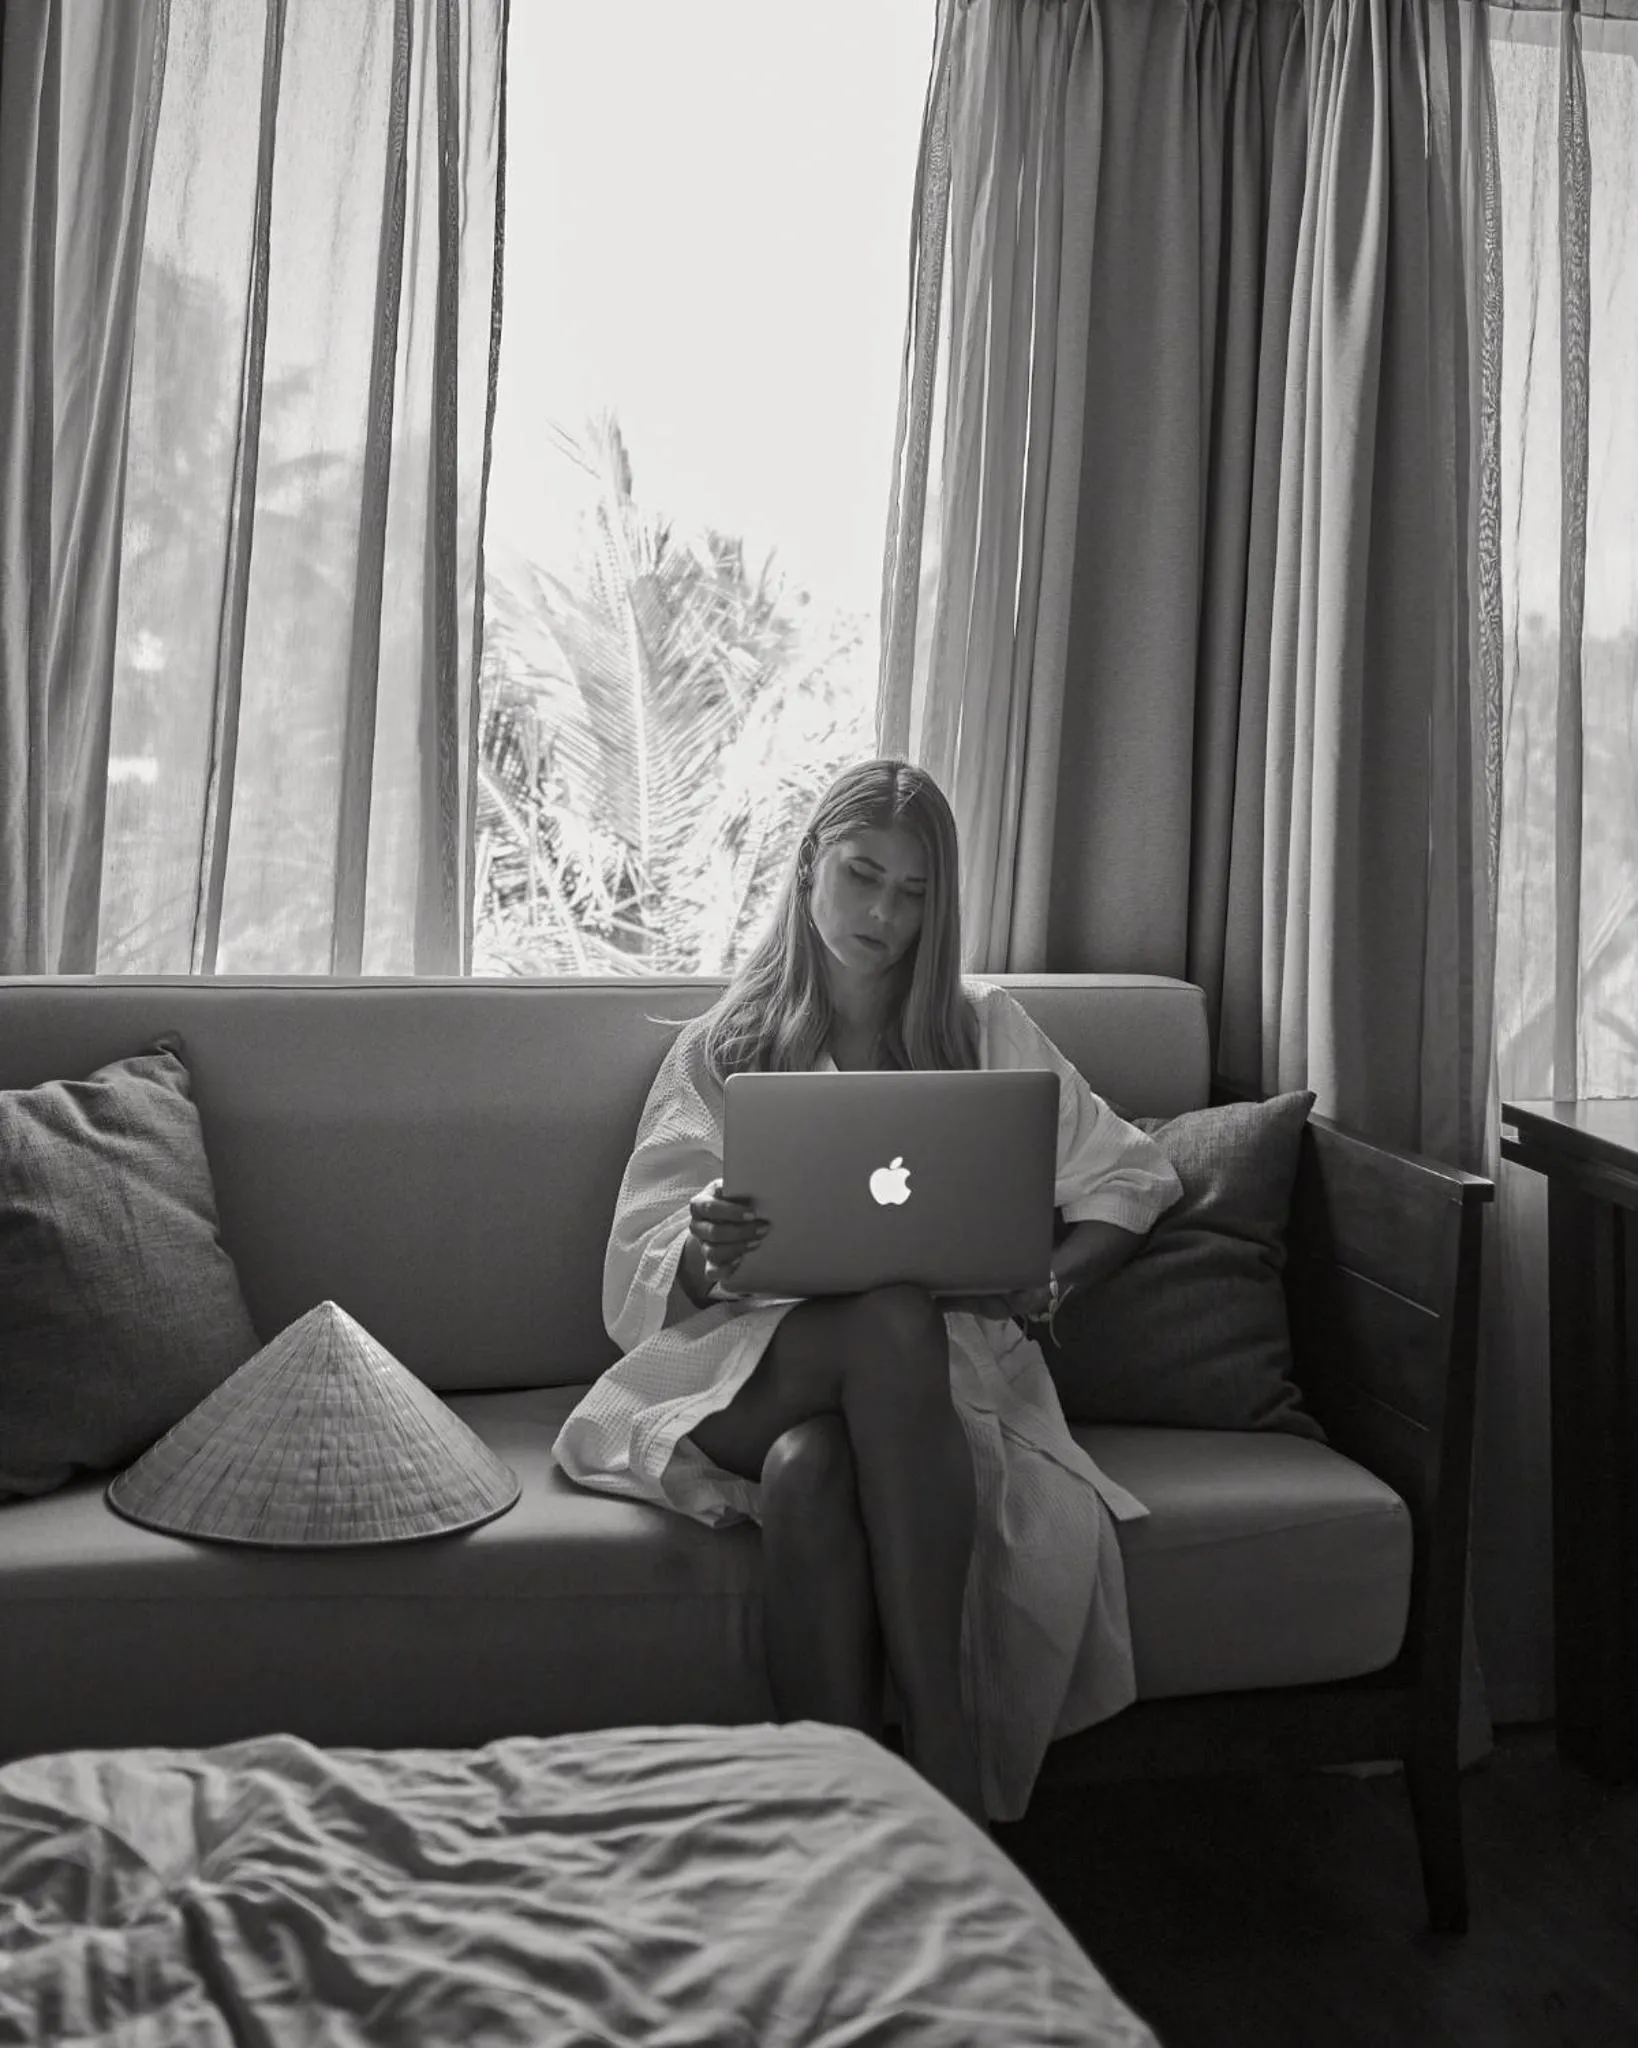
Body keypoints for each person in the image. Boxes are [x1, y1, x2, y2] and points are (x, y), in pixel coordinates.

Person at [553, 758, 1183, 1831]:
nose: (884, 915)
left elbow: (1129, 1174)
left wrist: (1052, 1278)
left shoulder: (982, 1032)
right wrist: (705, 1247)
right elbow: (637, 1263)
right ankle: (944, 1743)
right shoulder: (726, 1046)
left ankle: (846, 1821)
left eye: (913, 892)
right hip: (742, 1374)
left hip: (911, 1394)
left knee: (813, 1469)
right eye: (862, 876)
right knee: (891, 1317)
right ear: (810, 867)